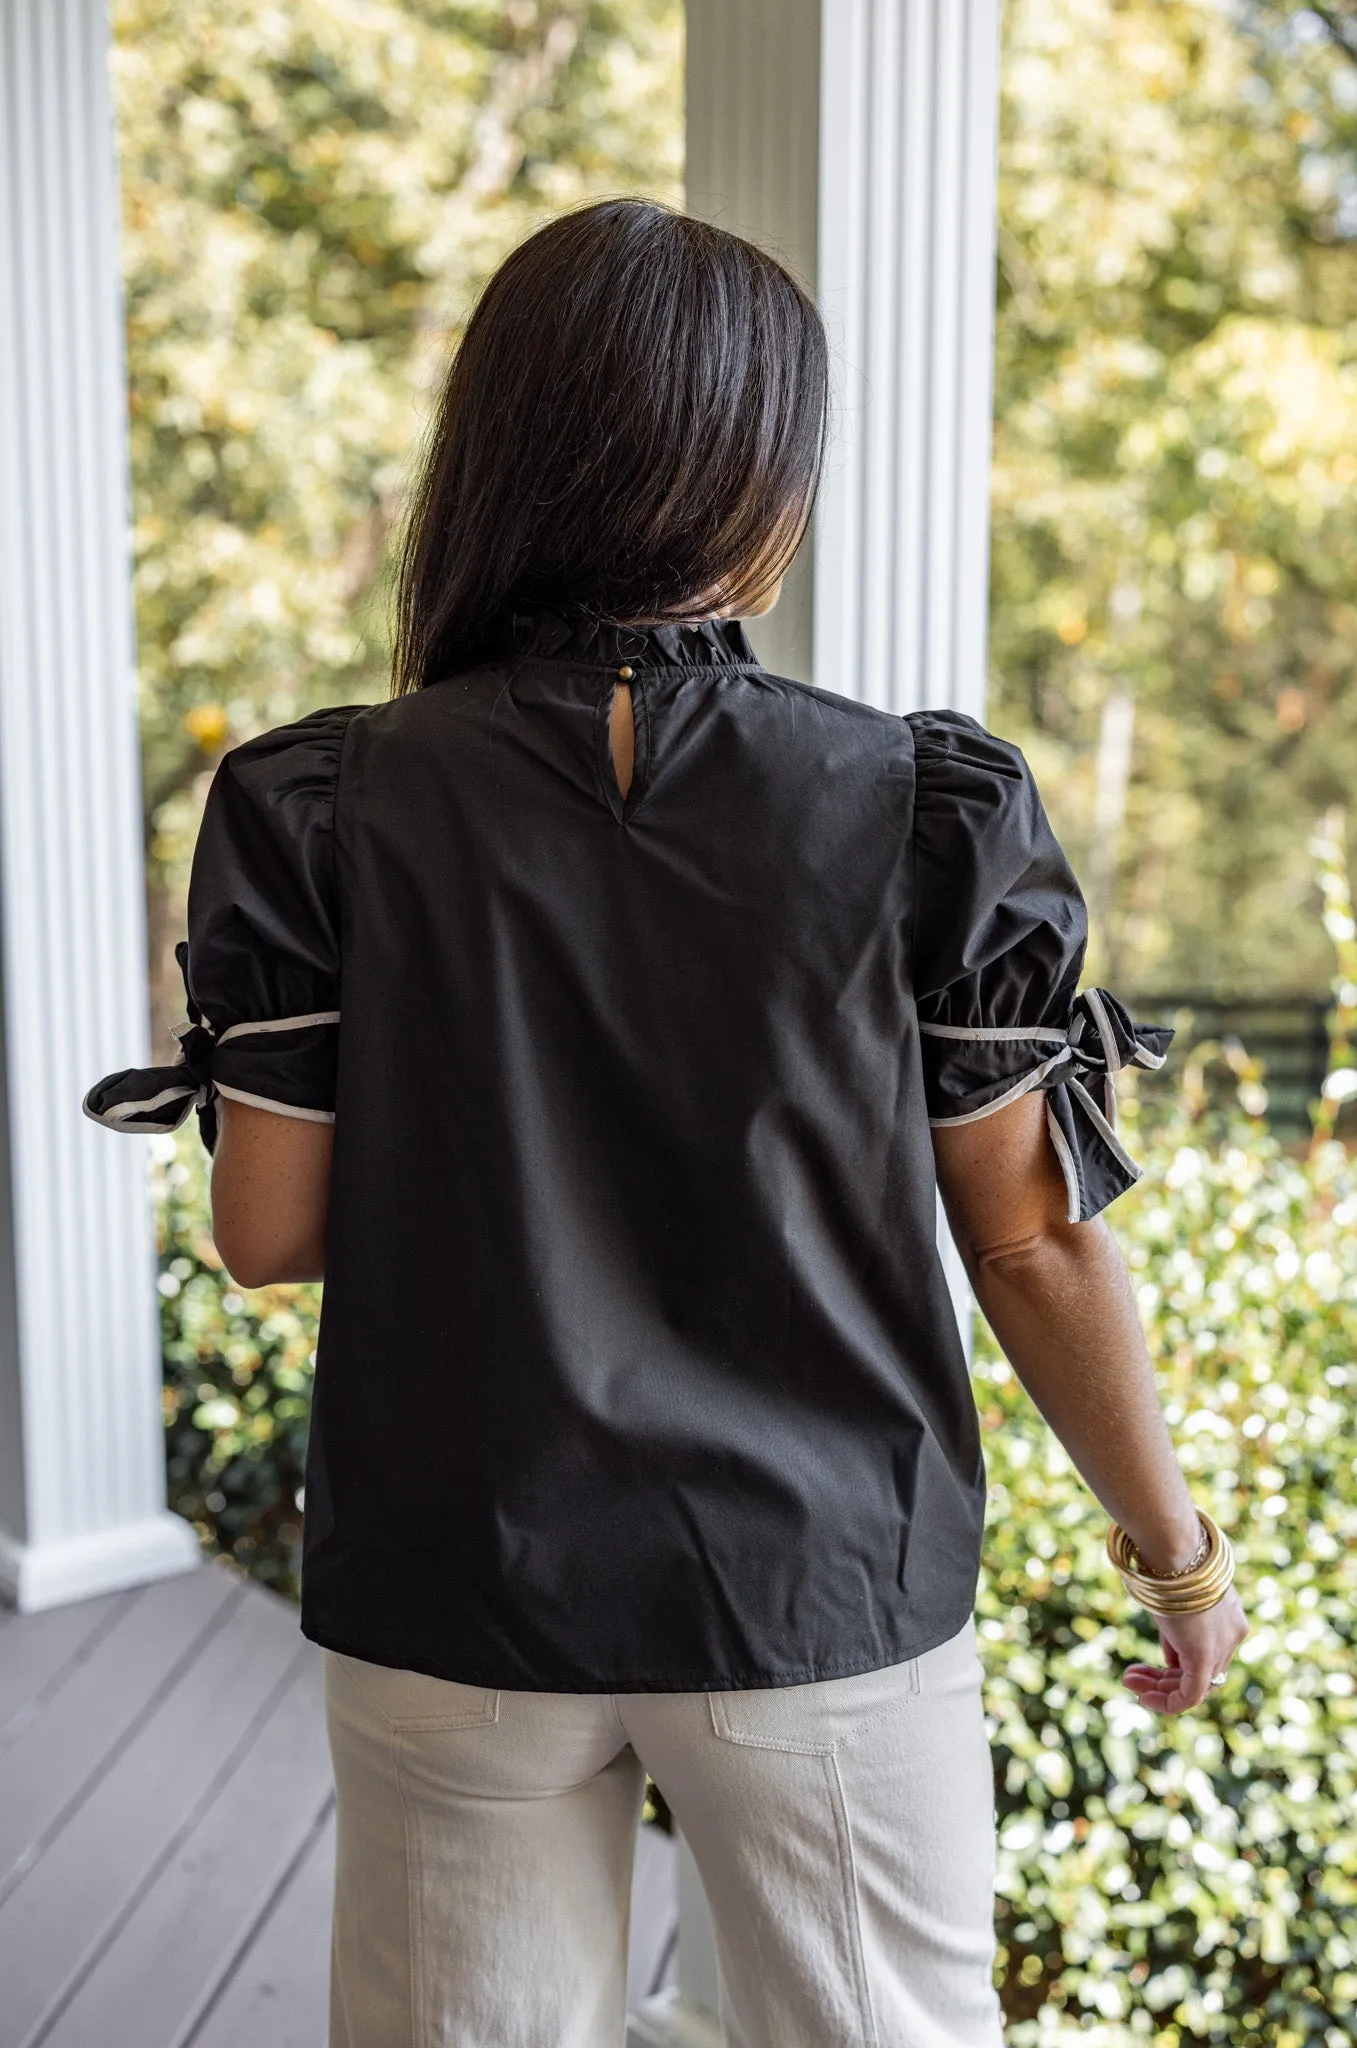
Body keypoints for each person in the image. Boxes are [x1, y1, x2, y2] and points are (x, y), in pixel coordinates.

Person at [85, 197, 1249, 2048]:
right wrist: (1173, 1555)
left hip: (454, 1589)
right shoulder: (922, 805)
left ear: (498, 461)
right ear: (756, 479)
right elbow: (1028, 1235)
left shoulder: (320, 804)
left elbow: (268, 1234)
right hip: (823, 1600)